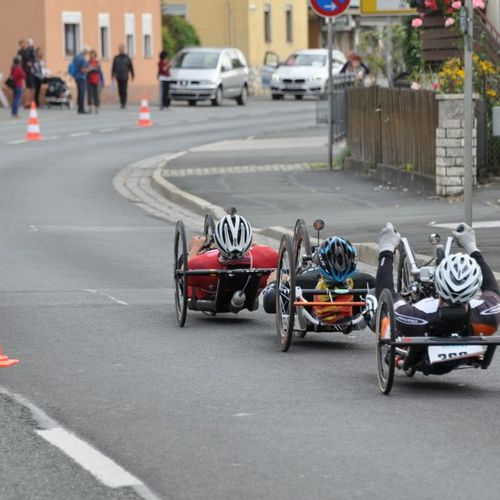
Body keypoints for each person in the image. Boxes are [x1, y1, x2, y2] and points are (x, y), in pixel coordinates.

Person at [375, 222, 500, 372]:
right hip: (469, 326)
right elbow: (492, 289)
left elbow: (385, 293)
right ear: (474, 287)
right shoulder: (489, 315)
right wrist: (471, 247)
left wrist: (386, 249)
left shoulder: (415, 317)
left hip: (419, 341)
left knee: (372, 300)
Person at [262, 236, 375, 324]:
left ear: (319, 262)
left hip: (306, 280)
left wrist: (274, 283)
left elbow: (269, 303)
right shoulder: (367, 282)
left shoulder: (301, 282)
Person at [187, 214, 278, 301]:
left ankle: (213, 245)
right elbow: (264, 249)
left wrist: (195, 248)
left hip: (205, 293)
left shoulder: (200, 264)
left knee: (184, 260)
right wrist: (251, 243)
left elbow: (185, 275)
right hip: (249, 293)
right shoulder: (270, 257)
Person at [111, 44, 134, 109]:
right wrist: (112, 75)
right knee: (120, 90)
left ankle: (124, 102)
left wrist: (132, 75)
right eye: (120, 49)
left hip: (125, 76)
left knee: (124, 89)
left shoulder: (127, 58)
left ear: (124, 49)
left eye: (122, 49)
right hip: (118, 76)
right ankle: (121, 102)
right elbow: (113, 67)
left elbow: (131, 67)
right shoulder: (116, 58)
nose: (121, 50)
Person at [71, 47, 89, 114]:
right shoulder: (83, 59)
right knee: (82, 93)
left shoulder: (76, 57)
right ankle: (81, 108)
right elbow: (82, 70)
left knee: (79, 92)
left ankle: (79, 107)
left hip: (76, 77)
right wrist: (89, 69)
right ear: (85, 52)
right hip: (81, 77)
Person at [17, 38, 35, 107]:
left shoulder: (28, 51)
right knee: (26, 87)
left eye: (24, 43)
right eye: (21, 44)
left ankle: (30, 102)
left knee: (31, 87)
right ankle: (26, 103)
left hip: (28, 71)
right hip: (23, 71)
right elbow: (19, 61)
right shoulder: (20, 52)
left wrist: (31, 63)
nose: (23, 45)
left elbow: (33, 59)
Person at [87, 49, 104, 114]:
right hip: (89, 80)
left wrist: (93, 69)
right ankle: (90, 108)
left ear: (95, 56)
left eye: (93, 55)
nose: (92, 56)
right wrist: (90, 69)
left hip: (96, 80)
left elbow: (98, 70)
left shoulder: (97, 62)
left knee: (96, 95)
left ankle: (96, 108)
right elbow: (87, 69)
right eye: (91, 55)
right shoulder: (88, 62)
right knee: (89, 94)